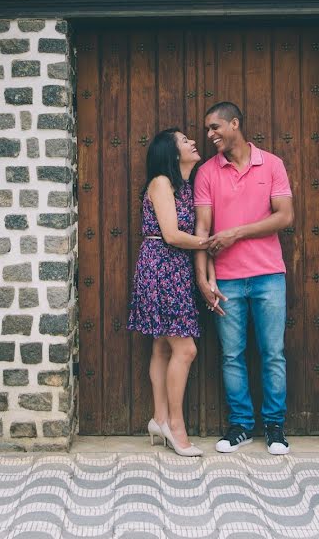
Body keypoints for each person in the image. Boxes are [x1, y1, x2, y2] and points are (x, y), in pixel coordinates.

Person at [194, 102, 295, 455]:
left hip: (269, 275)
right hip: (227, 280)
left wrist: (237, 233)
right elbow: (203, 229)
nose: (210, 135)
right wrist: (203, 279)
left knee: (273, 354)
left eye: (215, 127)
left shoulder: (272, 165)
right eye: (208, 130)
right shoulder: (207, 172)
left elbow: (284, 217)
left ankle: (275, 427)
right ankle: (240, 425)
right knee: (231, 356)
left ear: (235, 123)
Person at [127, 128, 210, 457]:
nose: (192, 142)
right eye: (185, 140)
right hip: (161, 268)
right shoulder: (161, 182)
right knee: (185, 350)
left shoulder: (185, 187)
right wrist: (208, 242)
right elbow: (172, 235)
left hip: (176, 269)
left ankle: (159, 419)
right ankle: (176, 426)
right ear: (173, 153)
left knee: (162, 347)